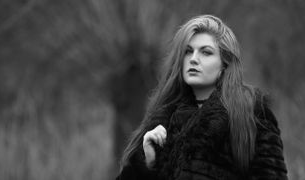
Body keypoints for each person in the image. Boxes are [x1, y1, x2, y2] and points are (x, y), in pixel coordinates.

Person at [116, 15, 288, 180]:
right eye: (188, 52)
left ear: (224, 64)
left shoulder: (251, 114)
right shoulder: (164, 121)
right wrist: (147, 161)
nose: (194, 59)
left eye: (206, 52)